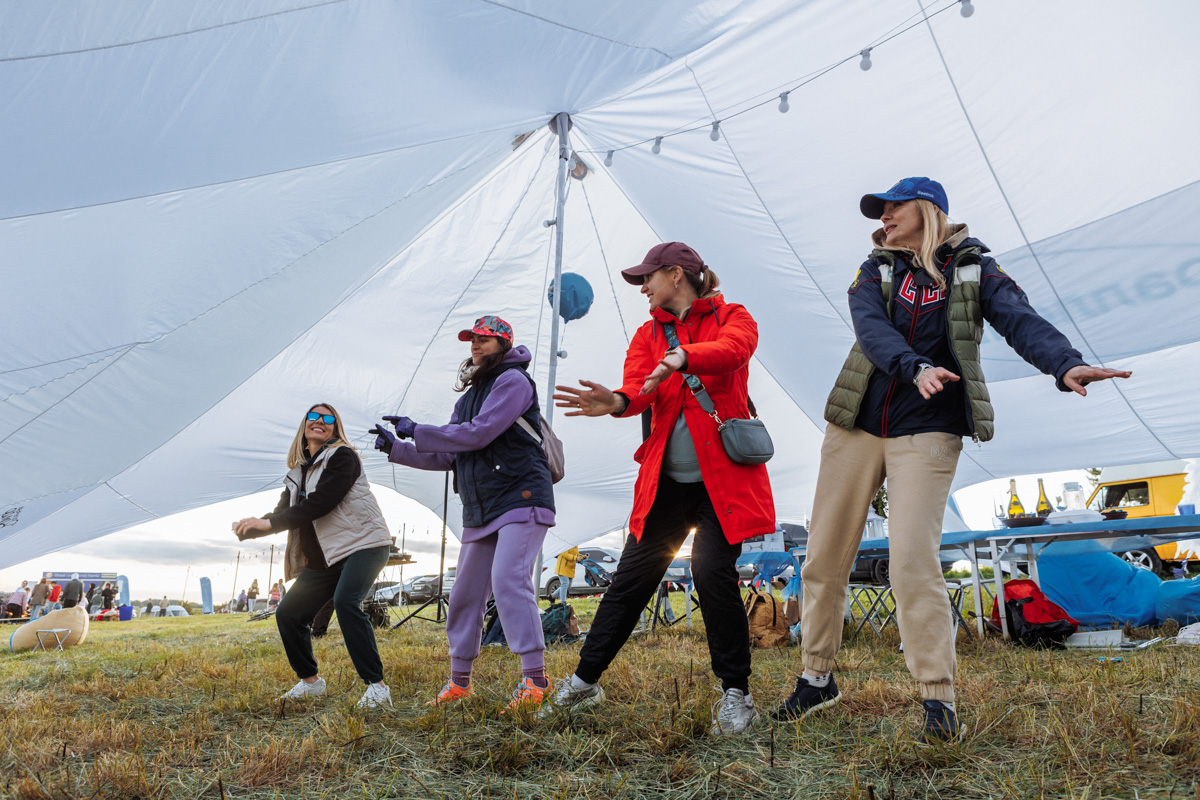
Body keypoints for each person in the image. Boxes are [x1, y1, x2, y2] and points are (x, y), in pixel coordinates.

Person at [770, 177, 1132, 742]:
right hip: (857, 424)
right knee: (822, 560)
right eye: (881, 211)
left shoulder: (975, 267)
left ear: (928, 210)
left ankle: (938, 699)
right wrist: (914, 366)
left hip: (930, 430)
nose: (884, 218)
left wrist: (1065, 365)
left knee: (913, 561)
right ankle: (816, 678)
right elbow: (871, 330)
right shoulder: (874, 269)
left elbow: (1019, 319)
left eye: (895, 208)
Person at [548, 242, 775, 735]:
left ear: (676, 275)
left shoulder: (732, 315)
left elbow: (735, 351)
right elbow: (635, 389)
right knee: (629, 581)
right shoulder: (647, 333)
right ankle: (584, 682)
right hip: (664, 487)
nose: (643, 288)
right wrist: (615, 400)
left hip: (723, 484)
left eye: (647, 278)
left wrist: (682, 358)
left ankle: (737, 695)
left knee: (712, 571)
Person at [374, 315, 556, 712]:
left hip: (521, 495)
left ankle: (536, 679)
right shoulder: (467, 397)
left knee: (509, 580)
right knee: (465, 594)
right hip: (482, 505)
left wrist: (418, 429)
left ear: (504, 344)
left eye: (485, 340)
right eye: (472, 340)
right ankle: (459, 683)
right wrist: (397, 449)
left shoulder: (513, 382)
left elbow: (480, 432)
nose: (475, 346)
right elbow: (450, 453)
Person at [234, 403, 394, 709]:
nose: (320, 421)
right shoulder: (296, 473)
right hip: (326, 557)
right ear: (304, 425)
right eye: (314, 417)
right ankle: (310, 683)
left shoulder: (343, 456)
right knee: (289, 613)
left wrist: (268, 523)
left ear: (335, 428)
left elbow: (322, 503)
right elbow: (283, 514)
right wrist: (252, 528)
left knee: (347, 602)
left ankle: (378, 687)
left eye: (328, 418)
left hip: (365, 544)